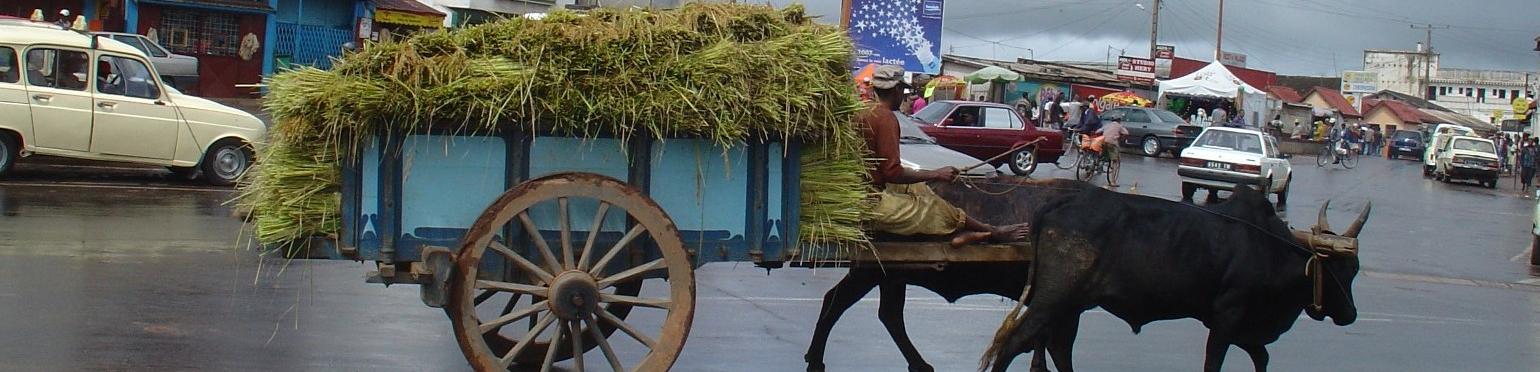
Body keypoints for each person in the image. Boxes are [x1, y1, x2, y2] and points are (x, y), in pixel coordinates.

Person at [858, 64, 1030, 247]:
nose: (904, 97)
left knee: (920, 189)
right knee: (934, 209)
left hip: (864, 191)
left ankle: (966, 232)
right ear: (897, 90)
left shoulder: (861, 111)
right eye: (903, 92)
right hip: (869, 202)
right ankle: (991, 231)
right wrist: (936, 174)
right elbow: (892, 173)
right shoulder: (885, 118)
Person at [1097, 118, 1130, 187]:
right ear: (1119, 120)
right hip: (1113, 144)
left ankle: (1098, 166)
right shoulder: (1119, 126)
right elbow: (1126, 133)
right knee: (1115, 161)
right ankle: (1112, 181)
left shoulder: (1107, 125)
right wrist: (1121, 138)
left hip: (1104, 142)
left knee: (1101, 156)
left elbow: (1098, 131)